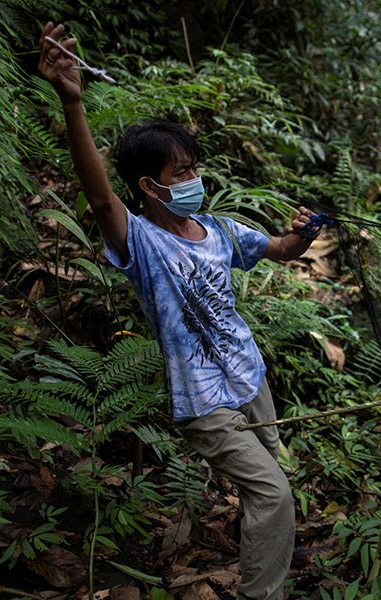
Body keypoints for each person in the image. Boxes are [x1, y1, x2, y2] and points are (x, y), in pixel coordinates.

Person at [38, 22, 321, 600]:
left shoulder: (218, 229)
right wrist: (72, 103)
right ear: (150, 185)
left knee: (266, 482)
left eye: (195, 166)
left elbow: (281, 249)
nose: (195, 179)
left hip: (250, 377)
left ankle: (262, 553)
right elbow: (100, 199)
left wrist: (304, 233)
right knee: (273, 493)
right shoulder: (141, 241)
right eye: (182, 172)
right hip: (203, 400)